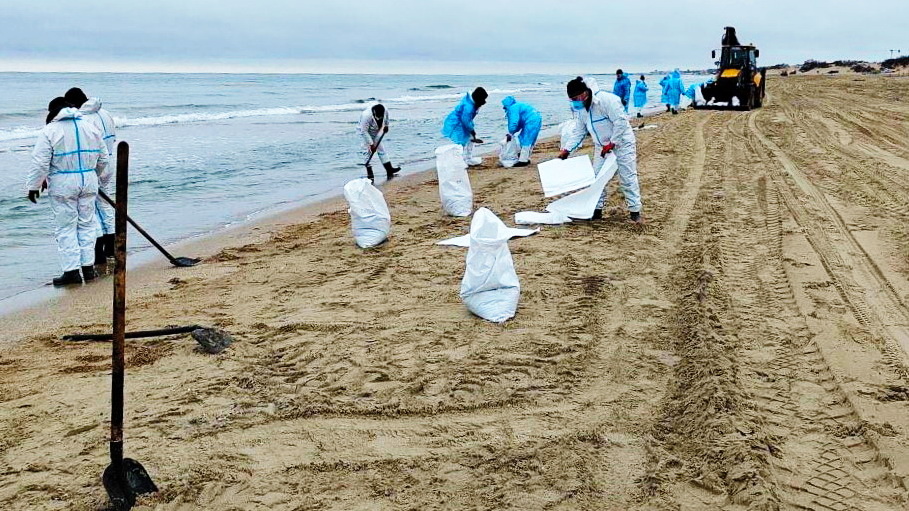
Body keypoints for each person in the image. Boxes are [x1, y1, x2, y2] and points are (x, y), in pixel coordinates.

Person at [26, 97, 110, 286]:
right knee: (87, 225)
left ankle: (71, 271)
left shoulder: (50, 130)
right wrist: (92, 175)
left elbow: (40, 162)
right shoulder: (90, 127)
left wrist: (34, 185)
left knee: (66, 227)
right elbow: (103, 158)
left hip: (63, 182)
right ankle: (88, 268)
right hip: (88, 180)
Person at [558, 77, 643, 223]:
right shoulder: (582, 111)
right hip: (601, 147)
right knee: (596, 178)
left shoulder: (607, 100)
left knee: (627, 178)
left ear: (584, 93)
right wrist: (567, 149)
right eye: (571, 100)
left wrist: (612, 143)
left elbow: (621, 122)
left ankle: (635, 212)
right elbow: (579, 131)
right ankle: (597, 211)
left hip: (622, 144)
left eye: (575, 98)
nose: (574, 102)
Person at [65, 87, 116, 265]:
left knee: (91, 209)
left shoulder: (84, 118)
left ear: (73, 103)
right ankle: (111, 245)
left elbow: (89, 144)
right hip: (109, 160)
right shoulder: (105, 113)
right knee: (106, 204)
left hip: (94, 166)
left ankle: (99, 248)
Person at [441, 87, 487, 166]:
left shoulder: (471, 102)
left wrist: (471, 130)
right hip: (456, 123)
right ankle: (459, 161)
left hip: (462, 122)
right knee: (461, 142)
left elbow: (468, 120)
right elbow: (465, 120)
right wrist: (472, 130)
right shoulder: (469, 107)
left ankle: (468, 158)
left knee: (470, 139)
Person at [357, 103, 400, 181]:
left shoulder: (384, 110)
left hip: (376, 131)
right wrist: (371, 144)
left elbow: (386, 118)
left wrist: (386, 125)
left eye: (381, 116)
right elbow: (364, 131)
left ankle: (389, 169)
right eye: (378, 116)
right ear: (374, 112)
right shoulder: (366, 116)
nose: (380, 118)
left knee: (381, 150)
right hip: (365, 133)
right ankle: (370, 174)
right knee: (367, 152)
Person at [501, 96, 542, 167]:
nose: (503, 108)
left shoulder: (512, 108)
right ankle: (526, 158)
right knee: (530, 140)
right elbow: (519, 123)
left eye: (504, 106)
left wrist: (511, 133)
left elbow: (514, 122)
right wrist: (512, 133)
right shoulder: (518, 106)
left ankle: (523, 160)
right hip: (536, 118)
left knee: (526, 140)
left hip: (531, 121)